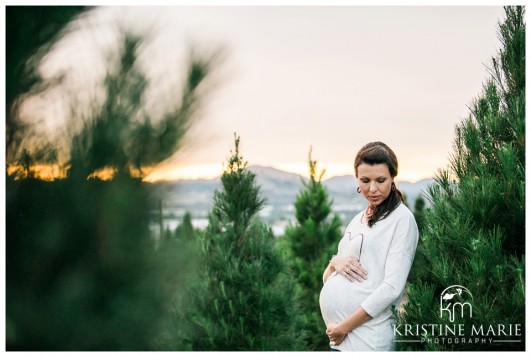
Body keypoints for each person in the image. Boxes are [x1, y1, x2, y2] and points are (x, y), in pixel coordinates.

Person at [319, 141, 419, 351]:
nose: (372, 189)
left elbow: (392, 288)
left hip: (368, 342)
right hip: (340, 340)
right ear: (357, 179)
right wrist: (334, 262)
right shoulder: (357, 220)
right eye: (365, 180)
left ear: (393, 179)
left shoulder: (402, 219)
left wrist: (344, 327)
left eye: (380, 180)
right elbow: (329, 278)